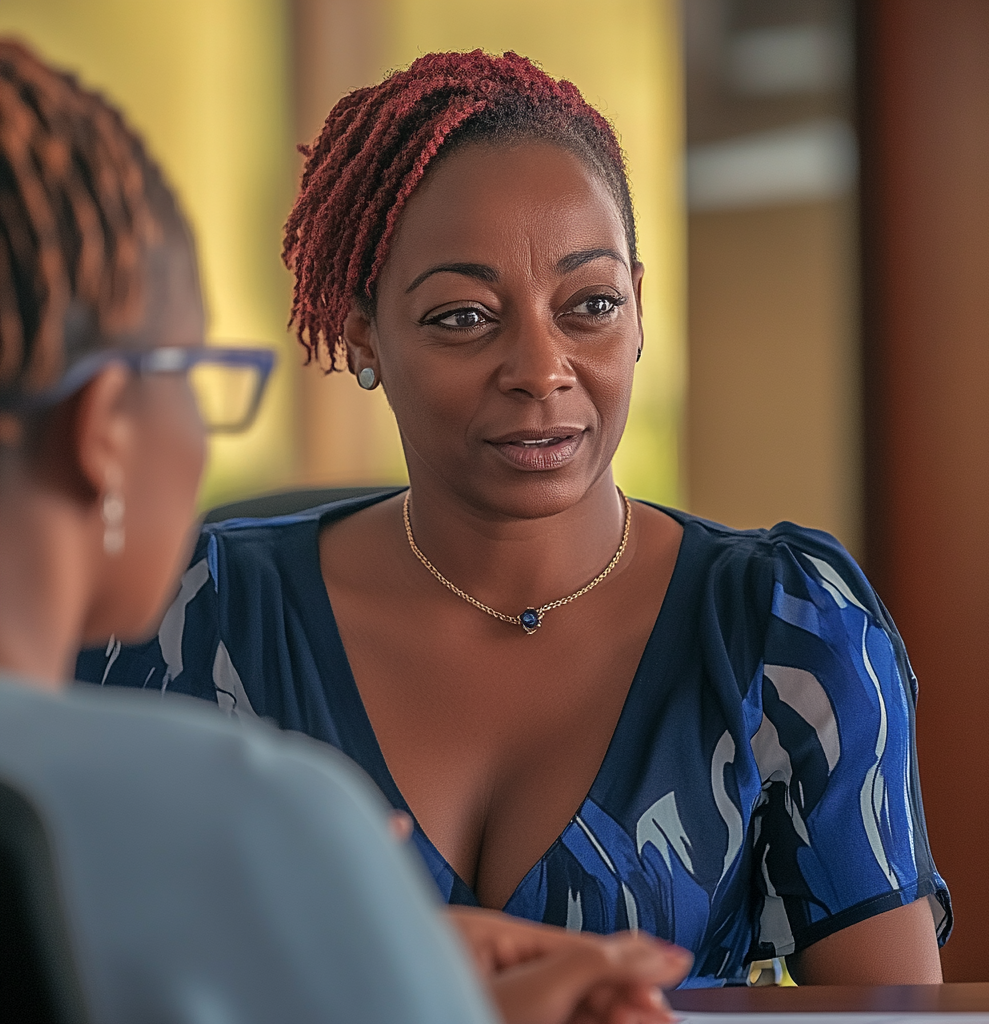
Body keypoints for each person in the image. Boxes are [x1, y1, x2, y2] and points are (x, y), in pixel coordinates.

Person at [81, 50, 951, 987]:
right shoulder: (183, 624)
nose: (541, 369)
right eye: (462, 317)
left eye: (591, 305)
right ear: (363, 327)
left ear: (640, 309)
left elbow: (888, 1017)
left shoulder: (784, 631)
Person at [0, 38, 691, 1024]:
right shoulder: (262, 821)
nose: (540, 370)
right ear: (102, 427)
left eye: (589, 303)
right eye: (192, 376)